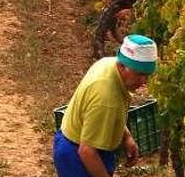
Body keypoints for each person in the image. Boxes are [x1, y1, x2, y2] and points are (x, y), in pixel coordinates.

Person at [54, 35, 157, 177]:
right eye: (139, 74)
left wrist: (126, 137)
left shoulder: (109, 64)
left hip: (92, 146)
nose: (143, 81)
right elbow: (87, 152)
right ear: (122, 66)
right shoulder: (105, 98)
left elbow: (113, 114)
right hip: (76, 155)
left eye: (147, 75)